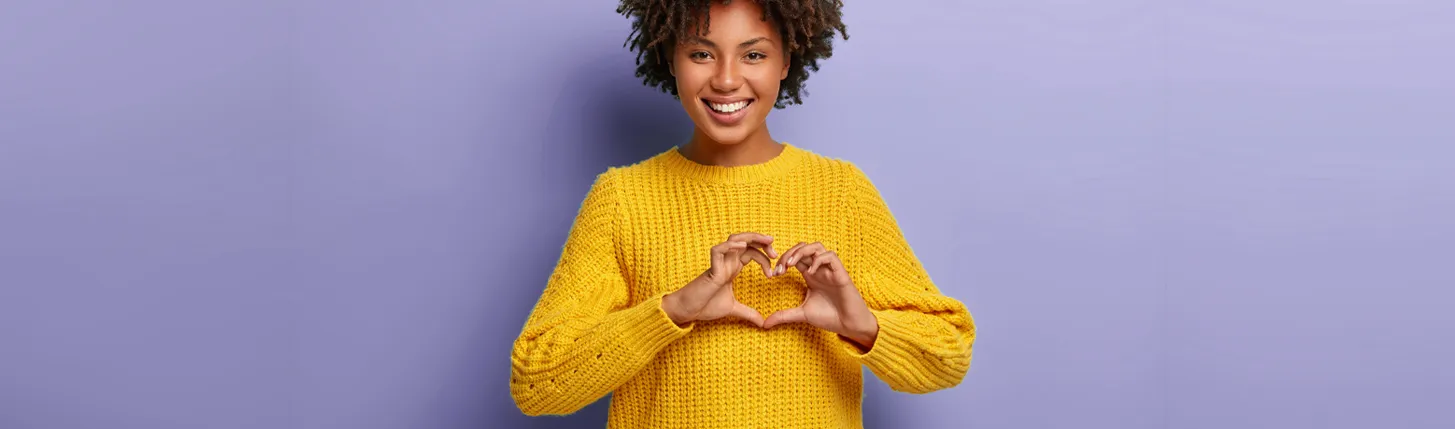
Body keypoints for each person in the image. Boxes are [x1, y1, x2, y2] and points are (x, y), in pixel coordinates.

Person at [510, 1, 975, 427]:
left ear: (786, 61)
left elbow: (947, 355)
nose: (727, 79)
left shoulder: (841, 192)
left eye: (753, 55)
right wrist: (672, 310)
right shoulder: (621, 198)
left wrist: (860, 323)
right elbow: (536, 382)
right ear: (670, 58)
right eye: (701, 54)